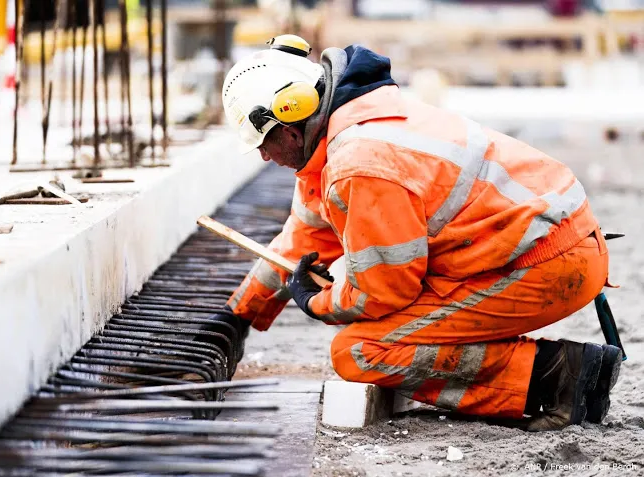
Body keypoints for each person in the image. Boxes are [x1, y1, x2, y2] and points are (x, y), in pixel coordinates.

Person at [210, 34, 622, 431]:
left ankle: (556, 380)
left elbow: (383, 292)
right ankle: (555, 374)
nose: (263, 154)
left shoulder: (360, 161)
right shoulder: (347, 128)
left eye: (263, 141)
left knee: (361, 350)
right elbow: (302, 239)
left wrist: (318, 303)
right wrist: (238, 314)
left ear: (290, 122)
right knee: (378, 330)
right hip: (537, 246)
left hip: (542, 264)